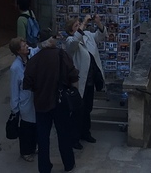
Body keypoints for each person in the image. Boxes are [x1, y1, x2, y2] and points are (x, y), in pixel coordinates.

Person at [23, 28, 79, 173]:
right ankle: (68, 163)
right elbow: (73, 77)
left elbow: (27, 84)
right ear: (51, 40)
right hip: (60, 102)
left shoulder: (34, 61)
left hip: (41, 103)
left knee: (43, 138)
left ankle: (44, 167)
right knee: (63, 134)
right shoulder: (62, 55)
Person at [63, 14, 105, 146]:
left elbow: (100, 36)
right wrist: (83, 25)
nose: (80, 27)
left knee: (87, 108)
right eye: (76, 26)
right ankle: (74, 138)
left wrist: (98, 23)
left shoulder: (87, 35)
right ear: (71, 30)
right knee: (78, 110)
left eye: (79, 24)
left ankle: (85, 133)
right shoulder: (70, 41)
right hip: (80, 81)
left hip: (90, 80)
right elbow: (74, 43)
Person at [8, 37, 38, 161]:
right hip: (24, 102)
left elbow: (38, 48)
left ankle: (33, 146)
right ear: (18, 50)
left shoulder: (30, 55)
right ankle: (25, 151)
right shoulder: (15, 67)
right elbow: (14, 89)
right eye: (23, 45)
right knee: (26, 127)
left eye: (25, 43)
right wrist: (15, 108)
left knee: (34, 125)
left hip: (34, 99)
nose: (26, 46)